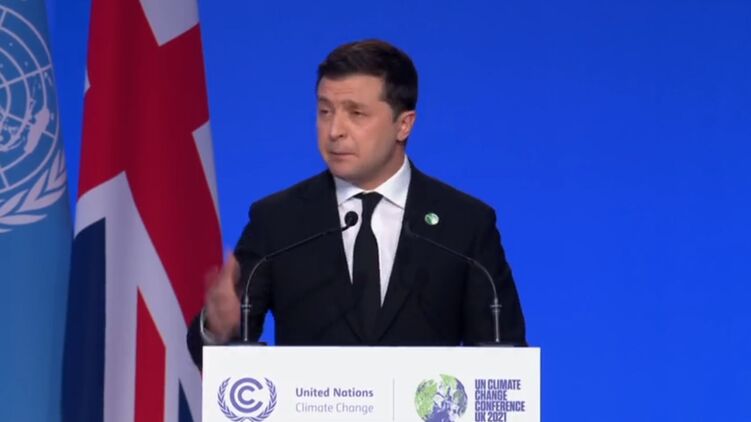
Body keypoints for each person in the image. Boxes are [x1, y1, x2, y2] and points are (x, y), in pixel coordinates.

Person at [187, 39, 526, 368]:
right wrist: (216, 328)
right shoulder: (278, 220)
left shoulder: (465, 224)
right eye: (325, 111)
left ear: (404, 124)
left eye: (356, 113)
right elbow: (215, 357)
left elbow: (505, 364)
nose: (334, 130)